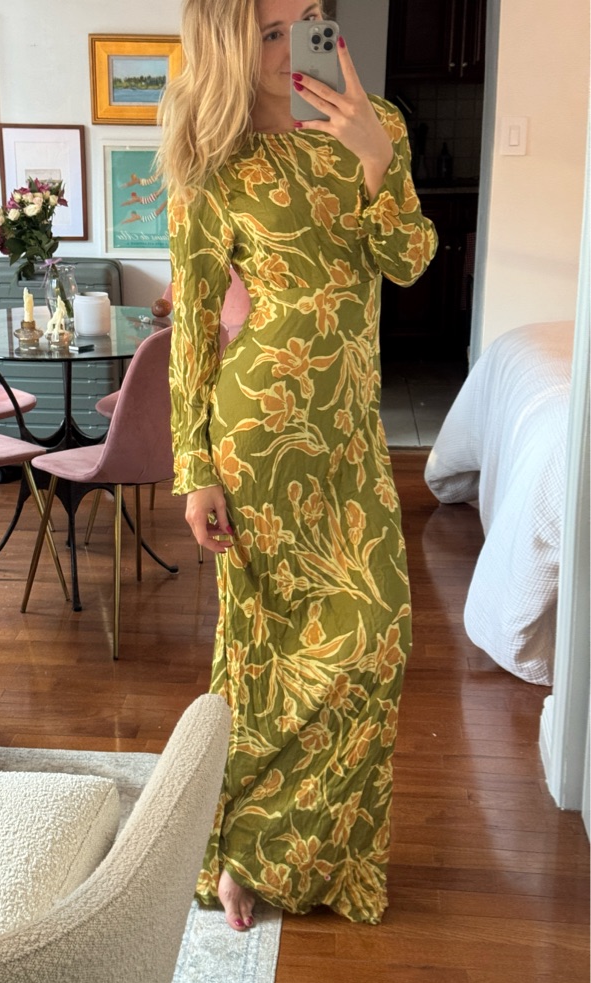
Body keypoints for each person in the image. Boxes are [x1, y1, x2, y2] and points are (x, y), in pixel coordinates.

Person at [158, 0, 436, 932]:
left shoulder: (375, 123)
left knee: (376, 642)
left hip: (350, 436)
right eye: (270, 32)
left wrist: (377, 162)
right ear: (231, 48)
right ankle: (242, 850)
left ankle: (288, 849)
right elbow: (193, 326)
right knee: (267, 654)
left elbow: (408, 263)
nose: (295, 45)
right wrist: (194, 466)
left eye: (308, 18)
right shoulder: (214, 160)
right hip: (259, 441)